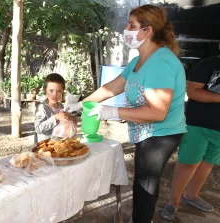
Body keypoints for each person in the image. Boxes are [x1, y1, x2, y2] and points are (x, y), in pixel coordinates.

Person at [66, 5, 186, 223]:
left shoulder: (162, 63)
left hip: (161, 134)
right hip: (145, 131)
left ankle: (141, 219)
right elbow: (113, 87)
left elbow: (158, 112)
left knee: (145, 184)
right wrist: (82, 104)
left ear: (147, 31)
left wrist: (112, 111)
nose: (126, 28)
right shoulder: (138, 60)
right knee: (143, 181)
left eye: (132, 25)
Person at [161, 56, 220, 220]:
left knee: (208, 162)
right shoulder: (207, 64)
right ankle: (173, 202)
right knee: (187, 163)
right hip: (198, 124)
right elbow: (193, 92)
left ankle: (191, 195)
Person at [34, 73, 75, 142]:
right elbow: (38, 129)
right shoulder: (42, 108)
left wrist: (71, 120)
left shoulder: (62, 107)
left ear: (62, 91)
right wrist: (56, 118)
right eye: (51, 91)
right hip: (46, 147)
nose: (54, 95)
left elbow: (64, 127)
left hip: (60, 145)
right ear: (45, 90)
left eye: (58, 91)